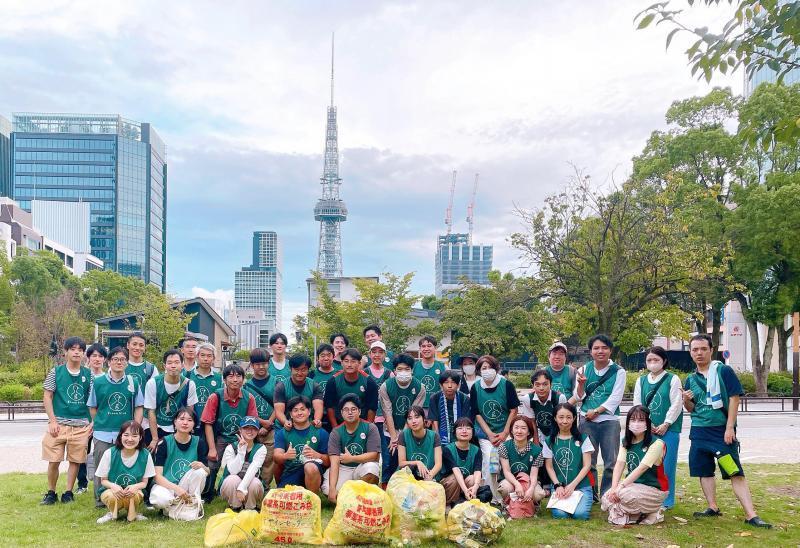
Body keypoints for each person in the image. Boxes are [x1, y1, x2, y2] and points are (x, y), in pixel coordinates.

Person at [683, 334, 771, 528]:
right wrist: (685, 400)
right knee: (704, 471)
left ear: (711, 350)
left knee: (734, 472)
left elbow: (734, 398)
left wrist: (729, 427)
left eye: (703, 349)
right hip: (698, 432)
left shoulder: (723, 371)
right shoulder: (689, 379)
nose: (699, 353)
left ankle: (751, 515)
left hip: (721, 432)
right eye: (695, 349)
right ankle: (712, 507)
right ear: (690, 352)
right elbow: (691, 409)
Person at [88, 346, 144, 507]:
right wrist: (99, 422)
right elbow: (93, 407)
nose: (119, 362)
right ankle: (100, 500)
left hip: (126, 433)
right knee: (101, 466)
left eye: (122, 359)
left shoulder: (133, 382)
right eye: (115, 359)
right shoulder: (98, 382)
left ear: (127, 363)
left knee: (123, 465)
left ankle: (124, 497)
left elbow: (139, 406)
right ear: (109, 362)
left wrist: (135, 426)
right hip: (103, 433)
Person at [41, 336, 93, 505]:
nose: (76, 352)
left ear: (84, 354)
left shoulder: (89, 374)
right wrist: (52, 421)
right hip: (59, 424)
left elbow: (93, 400)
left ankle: (68, 492)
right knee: (53, 459)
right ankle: (51, 492)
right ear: (65, 352)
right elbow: (47, 396)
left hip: (81, 425)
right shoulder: (56, 372)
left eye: (80, 350)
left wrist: (92, 422)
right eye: (73, 349)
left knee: (76, 460)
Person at [574, 334, 626, 498]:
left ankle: (607, 493)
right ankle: (592, 493)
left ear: (610, 350)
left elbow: (615, 398)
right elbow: (579, 396)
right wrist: (581, 385)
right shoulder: (583, 369)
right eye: (596, 348)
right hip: (586, 421)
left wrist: (596, 411)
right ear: (590, 351)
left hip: (609, 421)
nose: (600, 351)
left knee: (611, 461)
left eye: (604, 348)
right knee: (589, 460)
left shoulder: (619, 371)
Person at [632, 346, 682, 510]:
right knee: (647, 465)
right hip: (647, 429)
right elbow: (638, 404)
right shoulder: (642, 380)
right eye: (649, 360)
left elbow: (676, 403)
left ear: (664, 361)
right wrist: (648, 423)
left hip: (669, 429)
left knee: (667, 466)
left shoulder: (672, 379)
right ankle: (649, 497)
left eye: (656, 360)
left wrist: (666, 423)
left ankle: (667, 501)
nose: (653, 363)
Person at [601, 405, 668, 525]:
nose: (636, 423)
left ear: (648, 422)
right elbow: (619, 465)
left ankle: (653, 511)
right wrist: (613, 488)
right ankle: (638, 515)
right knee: (606, 497)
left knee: (624, 496)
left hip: (654, 489)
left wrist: (620, 487)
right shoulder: (626, 441)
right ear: (628, 422)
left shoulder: (657, 443)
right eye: (633, 419)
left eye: (641, 420)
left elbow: (642, 468)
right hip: (633, 486)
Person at [201, 364, 258, 502]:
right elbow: (208, 423)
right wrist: (212, 448)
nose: (235, 380)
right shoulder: (215, 396)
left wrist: (248, 443)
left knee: (245, 464)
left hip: (241, 437)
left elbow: (252, 422)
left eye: (239, 376)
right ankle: (207, 493)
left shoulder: (248, 397)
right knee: (212, 464)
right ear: (224, 380)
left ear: (243, 379)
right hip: (220, 436)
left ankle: (243, 489)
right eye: (230, 376)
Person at [470, 354, 520, 503]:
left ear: (496, 368)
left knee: (506, 462)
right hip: (486, 435)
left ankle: (510, 496)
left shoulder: (506, 385)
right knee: (489, 463)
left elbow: (513, 410)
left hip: (506, 432)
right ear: (479, 371)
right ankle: (493, 497)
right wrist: (490, 434)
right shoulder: (476, 387)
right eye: (483, 368)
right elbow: (477, 413)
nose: (487, 370)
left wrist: (505, 433)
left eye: (490, 367)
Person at [322, 394, 381, 502]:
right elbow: (334, 462)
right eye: (346, 409)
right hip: (343, 467)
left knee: (372, 469)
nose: (350, 412)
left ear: (359, 411)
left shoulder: (370, 427)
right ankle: (353, 497)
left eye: (353, 409)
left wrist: (352, 458)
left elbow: (374, 455)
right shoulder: (336, 432)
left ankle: (356, 500)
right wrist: (332, 488)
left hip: (362, 465)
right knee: (328, 490)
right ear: (341, 413)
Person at [150, 407, 209, 514]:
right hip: (167, 485)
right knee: (160, 500)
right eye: (181, 419)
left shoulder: (198, 442)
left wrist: (202, 465)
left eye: (190, 420)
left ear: (194, 425)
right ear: (175, 422)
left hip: (187, 486)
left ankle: (186, 504)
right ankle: (184, 507)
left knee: (200, 472)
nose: (185, 423)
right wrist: (177, 489)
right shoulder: (164, 443)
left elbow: (207, 471)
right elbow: (157, 476)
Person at [379, 353, 426, 484]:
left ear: (412, 370)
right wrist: (394, 437)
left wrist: (402, 437)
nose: (403, 372)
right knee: (388, 461)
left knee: (407, 463)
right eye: (400, 369)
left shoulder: (419, 387)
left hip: (410, 429)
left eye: (407, 369)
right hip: (390, 430)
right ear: (394, 370)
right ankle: (385, 489)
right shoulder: (386, 386)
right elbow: (387, 412)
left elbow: (413, 414)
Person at [95, 420, 155, 523]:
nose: (130, 439)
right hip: (112, 491)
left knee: (135, 494)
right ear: (120, 436)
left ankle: (133, 514)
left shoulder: (145, 455)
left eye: (135, 436)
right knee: (111, 495)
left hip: (133, 492)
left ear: (140, 437)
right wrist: (113, 486)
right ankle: (112, 513)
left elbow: (144, 483)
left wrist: (135, 487)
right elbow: (103, 480)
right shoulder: (109, 453)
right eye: (126, 435)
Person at [542, 403, 594, 520]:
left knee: (580, 515)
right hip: (559, 487)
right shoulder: (549, 440)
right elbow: (549, 467)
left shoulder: (583, 439)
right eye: (561, 417)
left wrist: (572, 486)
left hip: (581, 486)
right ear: (555, 418)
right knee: (560, 515)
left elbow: (587, 466)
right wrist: (557, 486)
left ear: (574, 418)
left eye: (569, 417)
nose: (565, 421)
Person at [145, 349, 198, 454]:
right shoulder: (153, 383)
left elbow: (189, 411)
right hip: (157, 427)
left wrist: (184, 434)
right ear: (164, 366)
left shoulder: (189, 384)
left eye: (177, 362)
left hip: (178, 428)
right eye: (169, 363)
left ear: (182, 365)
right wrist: (155, 438)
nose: (173, 366)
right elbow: (151, 411)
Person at [273, 396, 330, 493]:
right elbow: (276, 457)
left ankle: (312, 499)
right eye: (295, 410)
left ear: (309, 412)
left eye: (302, 409)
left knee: (310, 466)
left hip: (313, 473)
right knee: (283, 500)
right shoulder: (283, 433)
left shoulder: (321, 433)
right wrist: (285, 456)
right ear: (291, 414)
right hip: (292, 471)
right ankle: (282, 485)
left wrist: (318, 455)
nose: (299, 413)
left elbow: (329, 462)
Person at [242, 348, 277, 493]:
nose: (261, 367)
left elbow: (279, 406)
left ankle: (265, 487)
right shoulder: (246, 385)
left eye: (264, 363)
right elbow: (246, 408)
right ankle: (249, 485)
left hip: (272, 428)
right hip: (252, 428)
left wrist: (268, 424)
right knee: (251, 458)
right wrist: (261, 423)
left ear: (268, 364)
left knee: (269, 459)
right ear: (251, 365)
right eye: (257, 364)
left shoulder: (276, 382)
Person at [497, 416, 547, 516]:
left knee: (538, 494)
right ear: (511, 430)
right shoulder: (504, 447)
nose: (519, 431)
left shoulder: (537, 450)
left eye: (523, 428)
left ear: (529, 432)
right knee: (504, 488)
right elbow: (506, 471)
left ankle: (534, 504)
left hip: (528, 480)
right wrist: (517, 484)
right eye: (516, 427)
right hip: (510, 480)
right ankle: (507, 505)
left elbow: (534, 475)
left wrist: (531, 488)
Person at [218, 416, 267, 511]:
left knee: (255, 482)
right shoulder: (231, 447)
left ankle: (250, 507)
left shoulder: (261, 448)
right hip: (230, 486)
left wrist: (241, 488)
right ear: (240, 430)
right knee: (233, 479)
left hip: (250, 486)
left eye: (253, 428)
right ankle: (235, 506)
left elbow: (253, 469)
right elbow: (233, 471)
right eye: (246, 428)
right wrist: (241, 451)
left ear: (257, 432)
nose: (250, 431)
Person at [439, 418, 491, 505]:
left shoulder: (476, 450)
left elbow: (477, 470)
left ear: (472, 432)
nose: (464, 431)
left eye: (468, 428)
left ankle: (469, 502)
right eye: (460, 428)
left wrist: (475, 486)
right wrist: (465, 490)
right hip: (450, 485)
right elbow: (456, 470)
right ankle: (449, 504)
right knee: (454, 478)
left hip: (465, 485)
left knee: (473, 478)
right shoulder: (447, 449)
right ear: (454, 432)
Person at [323, 348, 378, 428]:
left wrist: (367, 428)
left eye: (353, 361)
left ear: (359, 363)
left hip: (362, 423)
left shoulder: (369, 381)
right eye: (346, 361)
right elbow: (329, 406)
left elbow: (372, 408)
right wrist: (335, 427)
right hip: (339, 423)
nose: (349, 364)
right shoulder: (333, 381)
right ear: (341, 363)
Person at [80, 342, 108, 495]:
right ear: (88, 358)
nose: (97, 359)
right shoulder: (83, 376)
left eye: (100, 356)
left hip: (100, 422)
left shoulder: (107, 377)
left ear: (104, 359)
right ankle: (82, 483)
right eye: (94, 356)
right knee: (81, 452)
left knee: (99, 453)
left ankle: (102, 482)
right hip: (83, 421)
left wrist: (95, 422)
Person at [365, 341, 393, 483]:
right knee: (369, 455)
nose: (377, 355)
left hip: (384, 420)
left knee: (387, 455)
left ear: (385, 355)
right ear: (370, 354)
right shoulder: (364, 372)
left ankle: (386, 485)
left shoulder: (390, 374)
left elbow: (393, 398)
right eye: (374, 352)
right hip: (367, 420)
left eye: (380, 352)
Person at [274, 354, 324, 429]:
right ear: (290, 369)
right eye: (296, 370)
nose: (300, 373)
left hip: (308, 426)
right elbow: (279, 411)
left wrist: (317, 421)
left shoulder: (314, 386)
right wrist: (285, 422)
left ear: (308, 370)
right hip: (284, 426)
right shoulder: (281, 387)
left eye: (303, 370)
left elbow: (318, 407)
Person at [519, 369, 567, 441]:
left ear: (550, 384)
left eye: (545, 384)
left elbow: (564, 421)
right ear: (533, 385)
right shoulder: (527, 399)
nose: (541, 388)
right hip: (541, 433)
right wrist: (536, 440)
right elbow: (532, 421)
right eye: (537, 384)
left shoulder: (560, 398)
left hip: (559, 432)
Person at [398, 405, 442, 481]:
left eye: (417, 417)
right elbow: (401, 463)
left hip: (430, 476)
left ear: (424, 419)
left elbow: (438, 464)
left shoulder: (434, 436)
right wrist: (417, 462)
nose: (413, 421)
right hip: (408, 476)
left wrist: (429, 476)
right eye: (409, 418)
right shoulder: (403, 435)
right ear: (407, 422)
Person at [186, 342, 223, 434]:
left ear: (214, 358)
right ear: (197, 356)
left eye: (209, 356)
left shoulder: (219, 378)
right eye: (202, 355)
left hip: (212, 424)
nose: (205, 359)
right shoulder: (187, 376)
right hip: (191, 425)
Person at [430, 370, 471, 445]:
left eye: (453, 382)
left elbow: (465, 421)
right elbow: (434, 421)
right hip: (441, 435)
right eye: (446, 382)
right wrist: (436, 439)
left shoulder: (464, 398)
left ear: (458, 385)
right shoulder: (435, 398)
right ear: (441, 385)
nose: (449, 386)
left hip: (461, 434)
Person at [413, 336, 446, 414]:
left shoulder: (443, 367)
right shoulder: (413, 367)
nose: (426, 349)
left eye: (429, 346)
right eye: (423, 346)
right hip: (417, 408)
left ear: (435, 348)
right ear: (420, 349)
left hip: (437, 407)